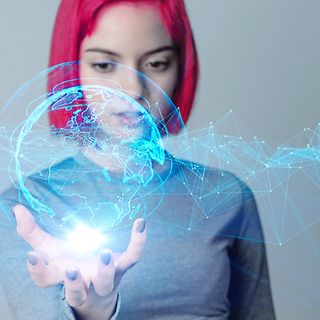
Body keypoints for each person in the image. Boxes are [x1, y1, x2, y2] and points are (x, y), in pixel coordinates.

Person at [0, 0, 276, 319]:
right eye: (105, 65)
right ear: (72, 68)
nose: (133, 89)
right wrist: (94, 311)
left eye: (156, 63)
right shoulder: (25, 208)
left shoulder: (227, 197)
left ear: (181, 66)